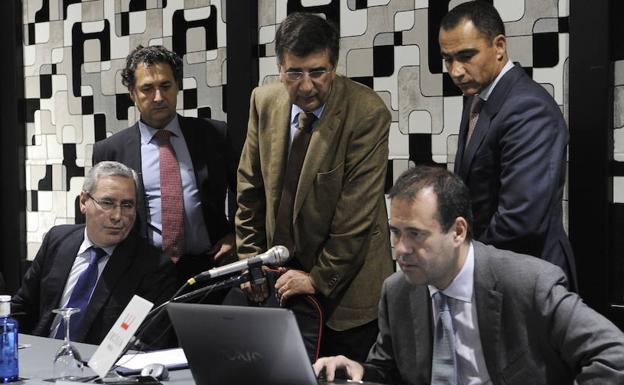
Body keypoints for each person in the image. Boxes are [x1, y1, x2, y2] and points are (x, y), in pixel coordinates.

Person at [313, 165, 624, 384]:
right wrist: (357, 370)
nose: (401, 249)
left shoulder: (528, 283)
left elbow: (613, 354)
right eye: (396, 233)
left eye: (416, 235)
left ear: (458, 231)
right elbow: (388, 370)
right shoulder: (397, 291)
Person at [235, 12, 394, 361]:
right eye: (294, 73)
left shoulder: (366, 113)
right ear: (279, 68)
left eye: (317, 72)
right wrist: (251, 263)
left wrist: (318, 279)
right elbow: (249, 192)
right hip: (279, 287)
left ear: (333, 67)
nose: (306, 85)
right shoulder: (263, 101)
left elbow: (355, 217)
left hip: (346, 294)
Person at [441, 1, 576, 287]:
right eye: (448, 59)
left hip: (528, 280)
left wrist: (461, 264)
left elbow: (520, 221)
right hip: (496, 273)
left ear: (499, 46)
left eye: (466, 56)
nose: (455, 71)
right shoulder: (477, 95)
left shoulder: (528, 109)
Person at [93, 45, 237, 283]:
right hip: (141, 274)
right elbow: (100, 216)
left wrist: (236, 235)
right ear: (132, 93)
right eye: (147, 89)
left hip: (209, 266)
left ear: (177, 85)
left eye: (165, 86)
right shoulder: (110, 150)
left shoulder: (213, 135)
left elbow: (249, 193)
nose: (158, 97)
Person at [11, 161, 177, 346]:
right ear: (83, 201)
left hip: (98, 367)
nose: (117, 216)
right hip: (39, 355)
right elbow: (21, 308)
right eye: (107, 203)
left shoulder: (153, 266)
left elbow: (148, 341)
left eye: (127, 205)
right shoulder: (57, 241)